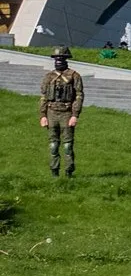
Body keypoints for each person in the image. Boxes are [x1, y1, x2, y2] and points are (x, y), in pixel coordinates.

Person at [40, 46, 84, 178]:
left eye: (61, 58)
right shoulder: (49, 76)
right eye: (56, 58)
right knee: (53, 145)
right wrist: (43, 115)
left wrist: (75, 115)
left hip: (66, 113)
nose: (58, 61)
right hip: (52, 112)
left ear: (66, 60)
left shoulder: (74, 76)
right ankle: (54, 172)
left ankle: (69, 171)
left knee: (67, 146)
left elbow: (79, 96)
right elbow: (43, 97)